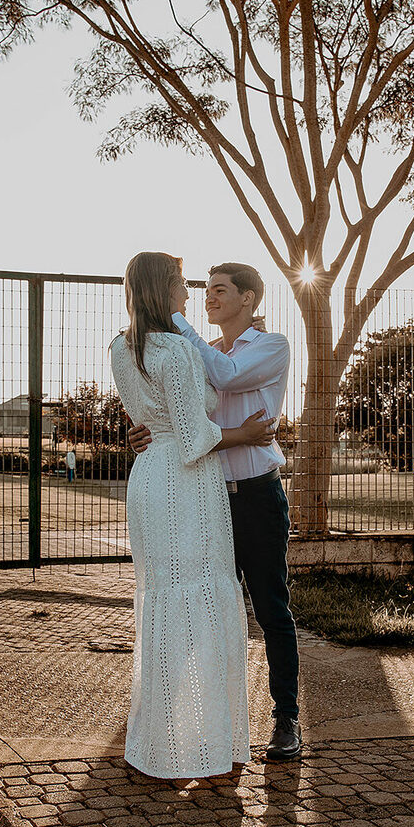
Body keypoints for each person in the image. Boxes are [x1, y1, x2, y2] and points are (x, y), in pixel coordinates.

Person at [109, 251, 276, 779]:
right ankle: (204, 745)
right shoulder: (177, 350)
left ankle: (160, 739)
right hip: (187, 483)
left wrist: (149, 433)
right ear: (164, 289)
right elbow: (192, 437)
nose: (190, 292)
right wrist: (244, 435)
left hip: (148, 481)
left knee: (165, 602)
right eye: (182, 282)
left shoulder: (121, 347)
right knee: (200, 600)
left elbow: (155, 420)